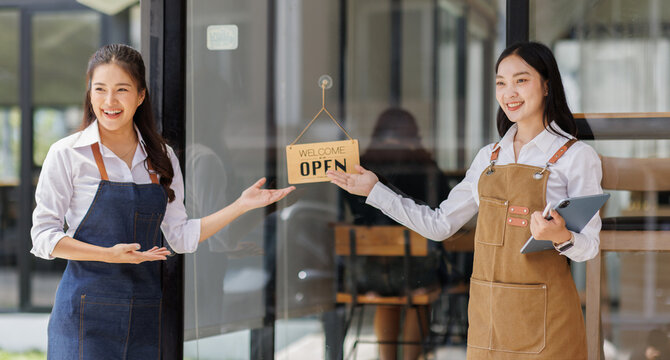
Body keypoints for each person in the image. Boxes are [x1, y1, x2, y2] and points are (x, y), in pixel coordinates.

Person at [328, 41, 602, 359]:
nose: (509, 92)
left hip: (547, 320)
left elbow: (590, 246)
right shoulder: (488, 157)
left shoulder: (577, 157)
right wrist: (375, 191)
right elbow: (440, 225)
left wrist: (561, 236)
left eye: (521, 80)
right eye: (501, 83)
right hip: (489, 317)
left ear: (546, 85)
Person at [29, 44, 295, 359]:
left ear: (141, 95)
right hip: (84, 316)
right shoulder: (68, 154)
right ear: (89, 94)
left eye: (121, 90)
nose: (109, 101)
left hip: (145, 314)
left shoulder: (161, 157)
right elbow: (43, 237)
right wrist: (107, 255)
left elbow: (180, 236)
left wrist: (241, 205)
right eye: (99, 90)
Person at [341, 108, 449, 360]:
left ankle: (386, 357)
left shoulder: (361, 166)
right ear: (414, 134)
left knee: (388, 297)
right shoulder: (425, 165)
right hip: (417, 273)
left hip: (367, 276)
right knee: (416, 296)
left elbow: (350, 206)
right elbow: (444, 210)